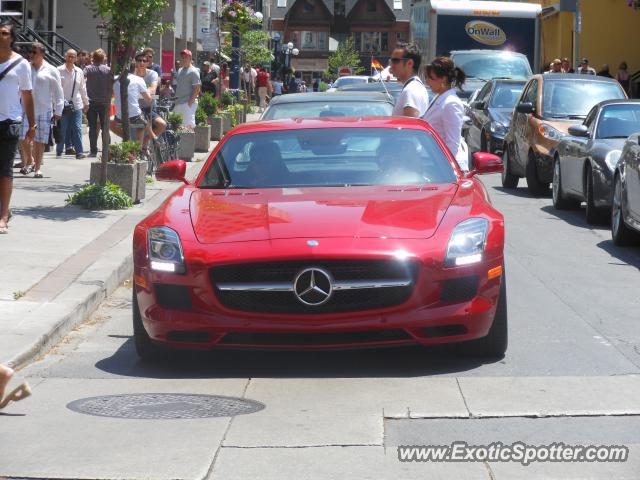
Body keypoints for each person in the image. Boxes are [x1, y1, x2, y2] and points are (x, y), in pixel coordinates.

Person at [0, 20, 35, 235]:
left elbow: (27, 95)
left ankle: (3, 215)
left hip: (9, 122)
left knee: (4, 170)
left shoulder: (21, 64)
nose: (0, 36)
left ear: (12, 38)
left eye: (4, 33)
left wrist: (32, 124)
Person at [19, 42, 63, 179]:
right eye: (30, 52)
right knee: (22, 136)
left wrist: (58, 110)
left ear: (42, 54)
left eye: (34, 52)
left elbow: (58, 92)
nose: (31, 54)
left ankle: (37, 168)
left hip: (44, 109)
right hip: (25, 108)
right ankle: (31, 161)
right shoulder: (25, 67)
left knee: (39, 141)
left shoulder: (51, 70)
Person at [422, 56, 468, 171]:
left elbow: (452, 143)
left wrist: (442, 169)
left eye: (431, 78)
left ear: (443, 79)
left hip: (446, 168)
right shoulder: (439, 97)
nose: (427, 82)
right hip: (435, 162)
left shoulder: (451, 103)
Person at [57, 49, 88, 159]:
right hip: (63, 104)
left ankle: (79, 152)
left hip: (76, 104)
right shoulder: (59, 70)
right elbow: (55, 89)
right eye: (69, 56)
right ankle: (59, 150)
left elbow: (82, 88)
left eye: (73, 57)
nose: (70, 59)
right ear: (65, 57)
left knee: (77, 127)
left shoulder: (79, 71)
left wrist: (86, 102)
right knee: (63, 128)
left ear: (76, 58)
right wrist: (55, 104)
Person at [134, 51, 166, 150]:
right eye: (139, 60)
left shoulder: (153, 74)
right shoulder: (132, 74)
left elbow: (153, 89)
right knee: (140, 127)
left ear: (148, 63)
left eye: (145, 61)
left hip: (149, 107)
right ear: (135, 62)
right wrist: (145, 94)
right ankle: (138, 151)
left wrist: (139, 93)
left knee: (162, 124)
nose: (142, 63)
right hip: (135, 108)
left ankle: (146, 140)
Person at [110, 70, 152, 146]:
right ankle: (139, 150)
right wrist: (148, 91)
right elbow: (148, 100)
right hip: (134, 117)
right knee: (143, 123)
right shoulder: (138, 79)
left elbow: (112, 94)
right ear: (135, 69)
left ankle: (127, 138)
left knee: (110, 121)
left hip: (119, 117)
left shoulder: (114, 79)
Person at [389, 42, 429, 117]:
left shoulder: (411, 90)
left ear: (410, 63)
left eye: (395, 61)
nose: (391, 65)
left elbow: (410, 126)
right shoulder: (415, 86)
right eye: (391, 61)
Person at [84, 48, 111, 157]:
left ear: (93, 58)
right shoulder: (108, 70)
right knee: (105, 127)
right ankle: (107, 150)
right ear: (103, 58)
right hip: (104, 101)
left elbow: (82, 78)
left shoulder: (88, 69)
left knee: (93, 127)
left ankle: (93, 150)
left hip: (91, 101)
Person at [173, 49, 201, 128]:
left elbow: (197, 89)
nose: (183, 59)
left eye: (186, 57)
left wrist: (189, 104)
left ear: (190, 58)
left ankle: (189, 141)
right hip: (178, 102)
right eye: (182, 57)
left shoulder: (194, 71)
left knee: (188, 127)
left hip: (187, 103)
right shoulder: (180, 70)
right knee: (177, 126)